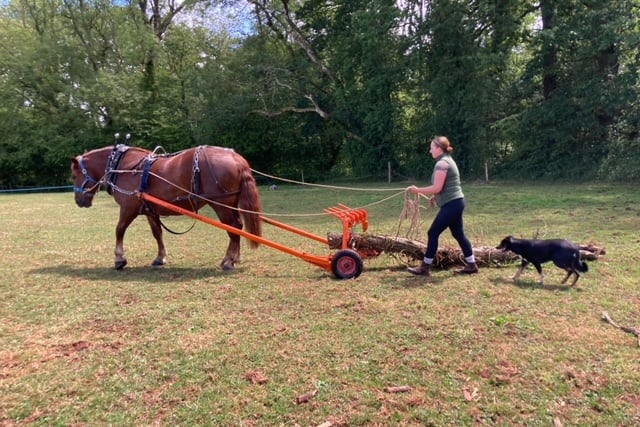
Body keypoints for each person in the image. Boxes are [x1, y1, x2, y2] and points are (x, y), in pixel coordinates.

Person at [406, 136, 478, 276]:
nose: (430, 151)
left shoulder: (442, 164)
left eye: (432, 147)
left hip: (452, 205)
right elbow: (445, 186)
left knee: (433, 233)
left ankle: (425, 268)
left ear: (439, 149)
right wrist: (435, 196)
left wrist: (417, 190)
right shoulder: (446, 161)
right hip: (456, 202)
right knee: (458, 234)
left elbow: (437, 187)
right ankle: (472, 265)